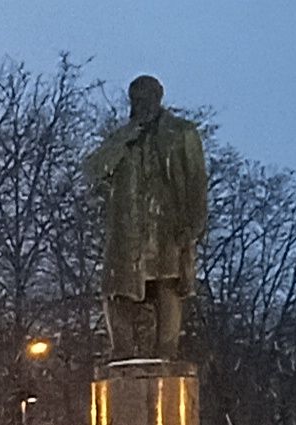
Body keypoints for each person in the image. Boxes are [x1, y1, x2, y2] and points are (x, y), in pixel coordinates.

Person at [85, 75, 209, 361]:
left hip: (167, 227)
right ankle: (121, 355)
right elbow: (93, 171)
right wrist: (123, 140)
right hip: (127, 232)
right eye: (136, 99)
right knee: (116, 290)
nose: (142, 104)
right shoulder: (122, 138)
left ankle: (166, 355)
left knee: (168, 284)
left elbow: (196, 181)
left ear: (159, 97)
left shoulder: (181, 133)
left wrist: (193, 225)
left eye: (147, 97)